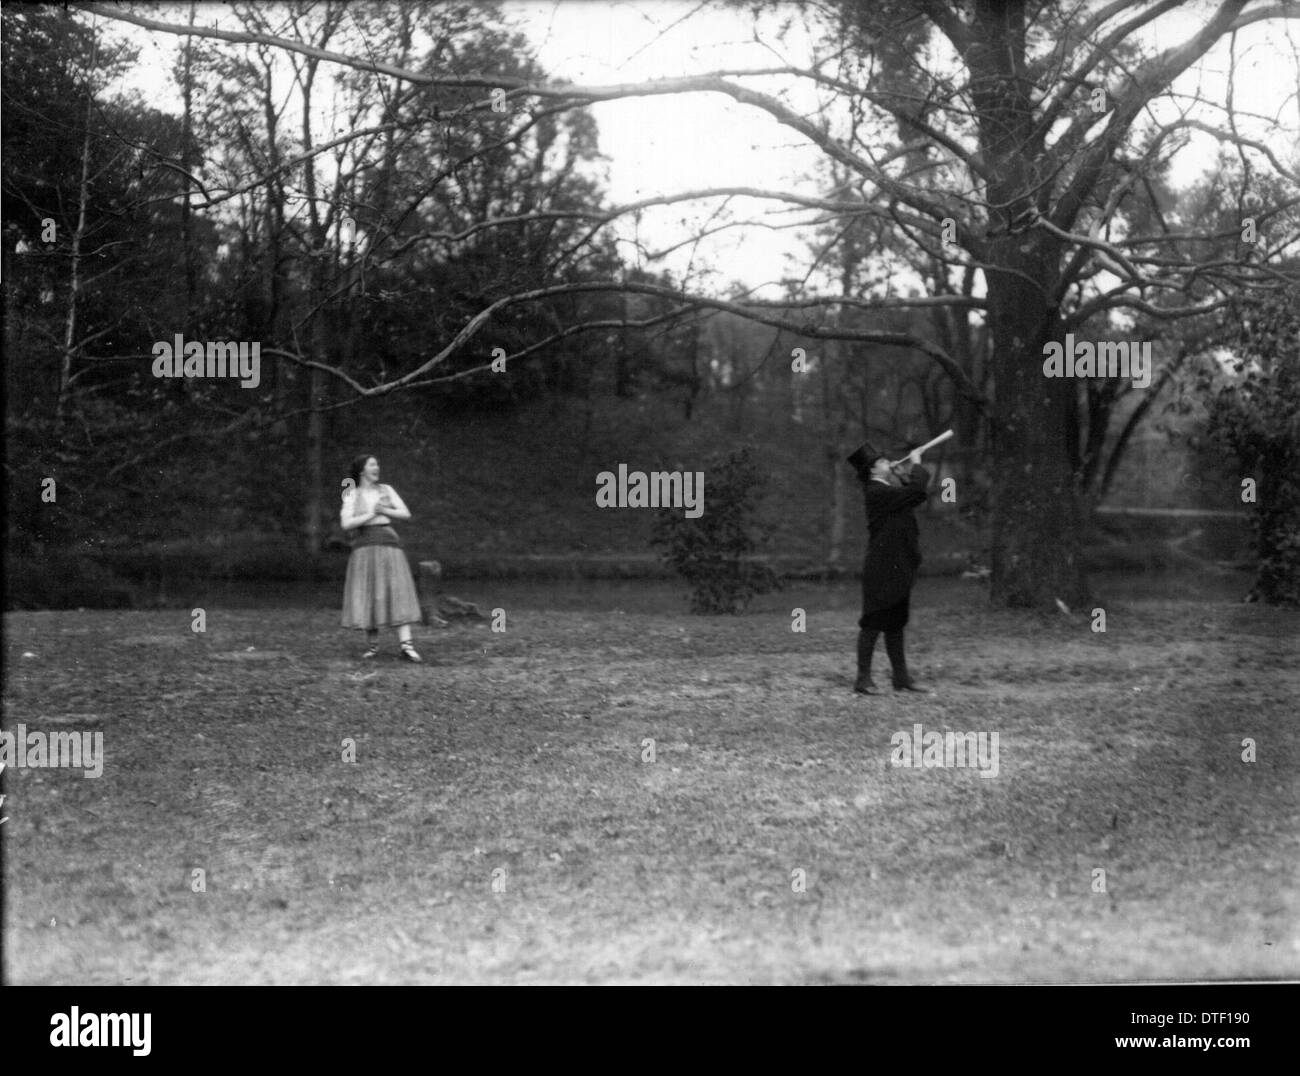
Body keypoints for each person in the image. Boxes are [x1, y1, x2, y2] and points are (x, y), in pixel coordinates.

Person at [845, 441, 931, 694]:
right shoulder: (876, 492)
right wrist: (916, 464)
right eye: (883, 462)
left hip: (898, 565)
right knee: (873, 622)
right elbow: (915, 492)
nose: (889, 463)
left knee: (895, 622)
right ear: (873, 471)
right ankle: (862, 679)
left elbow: (915, 495)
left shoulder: (887, 490)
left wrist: (903, 475)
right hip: (882, 568)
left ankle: (901, 678)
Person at [339, 454, 423, 662]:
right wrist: (371, 514)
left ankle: (407, 646)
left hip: (389, 546)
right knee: (370, 593)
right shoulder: (351, 493)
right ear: (362, 471)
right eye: (372, 464)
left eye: (377, 463)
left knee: (398, 592)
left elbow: (405, 513)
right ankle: (373, 647)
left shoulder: (387, 490)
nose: (377, 467)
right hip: (364, 548)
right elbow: (346, 523)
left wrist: (384, 509)